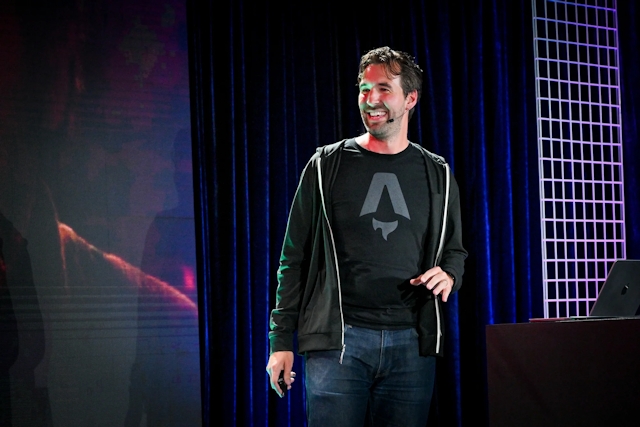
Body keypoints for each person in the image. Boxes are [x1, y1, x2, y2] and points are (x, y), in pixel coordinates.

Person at [266, 46, 467, 427]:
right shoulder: (326, 165)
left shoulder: (436, 173)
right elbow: (293, 259)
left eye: (383, 89)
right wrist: (280, 341)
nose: (371, 100)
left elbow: (455, 250)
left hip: (411, 345)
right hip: (337, 345)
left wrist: (449, 274)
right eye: (364, 89)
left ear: (410, 98)